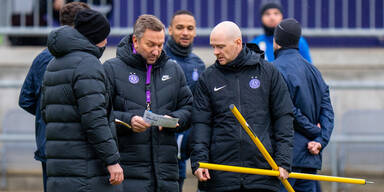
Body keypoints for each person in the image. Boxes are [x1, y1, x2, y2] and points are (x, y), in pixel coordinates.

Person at [190, 21, 294, 192]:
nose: (216, 52)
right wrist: (199, 162)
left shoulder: (268, 72)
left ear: (238, 42)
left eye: (221, 47)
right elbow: (201, 124)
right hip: (221, 177)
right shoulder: (208, 78)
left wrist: (283, 161)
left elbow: (283, 117)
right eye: (213, 47)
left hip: (262, 175)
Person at [103, 14, 193, 191]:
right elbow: (100, 114)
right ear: (135, 41)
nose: (156, 51)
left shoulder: (173, 69)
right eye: (150, 44)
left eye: (160, 45)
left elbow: (189, 108)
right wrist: (128, 121)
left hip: (166, 172)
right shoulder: (111, 69)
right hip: (127, 170)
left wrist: (174, 119)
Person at [40, 9, 123, 192]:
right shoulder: (88, 64)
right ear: (94, 38)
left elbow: (46, 112)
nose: (106, 42)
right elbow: (95, 119)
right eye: (104, 37)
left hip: (60, 170)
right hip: (87, 173)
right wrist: (112, 160)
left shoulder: (54, 63)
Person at [18, 2, 89, 191]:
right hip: (74, 148)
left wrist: (48, 114)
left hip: (47, 145)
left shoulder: (42, 56)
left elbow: (25, 100)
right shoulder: (84, 58)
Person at [272, 18, 334, 192]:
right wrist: (320, 139)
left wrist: (316, 132)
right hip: (310, 156)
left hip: (284, 159)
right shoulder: (314, 71)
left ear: (276, 42)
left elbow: (286, 109)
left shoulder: (274, 69)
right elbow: (327, 110)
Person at [163, 10, 206, 192]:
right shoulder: (159, 58)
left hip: (186, 140)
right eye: (180, 28)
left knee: (179, 179)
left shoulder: (199, 64)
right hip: (162, 137)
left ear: (195, 31)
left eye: (190, 28)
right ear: (170, 30)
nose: (185, 32)